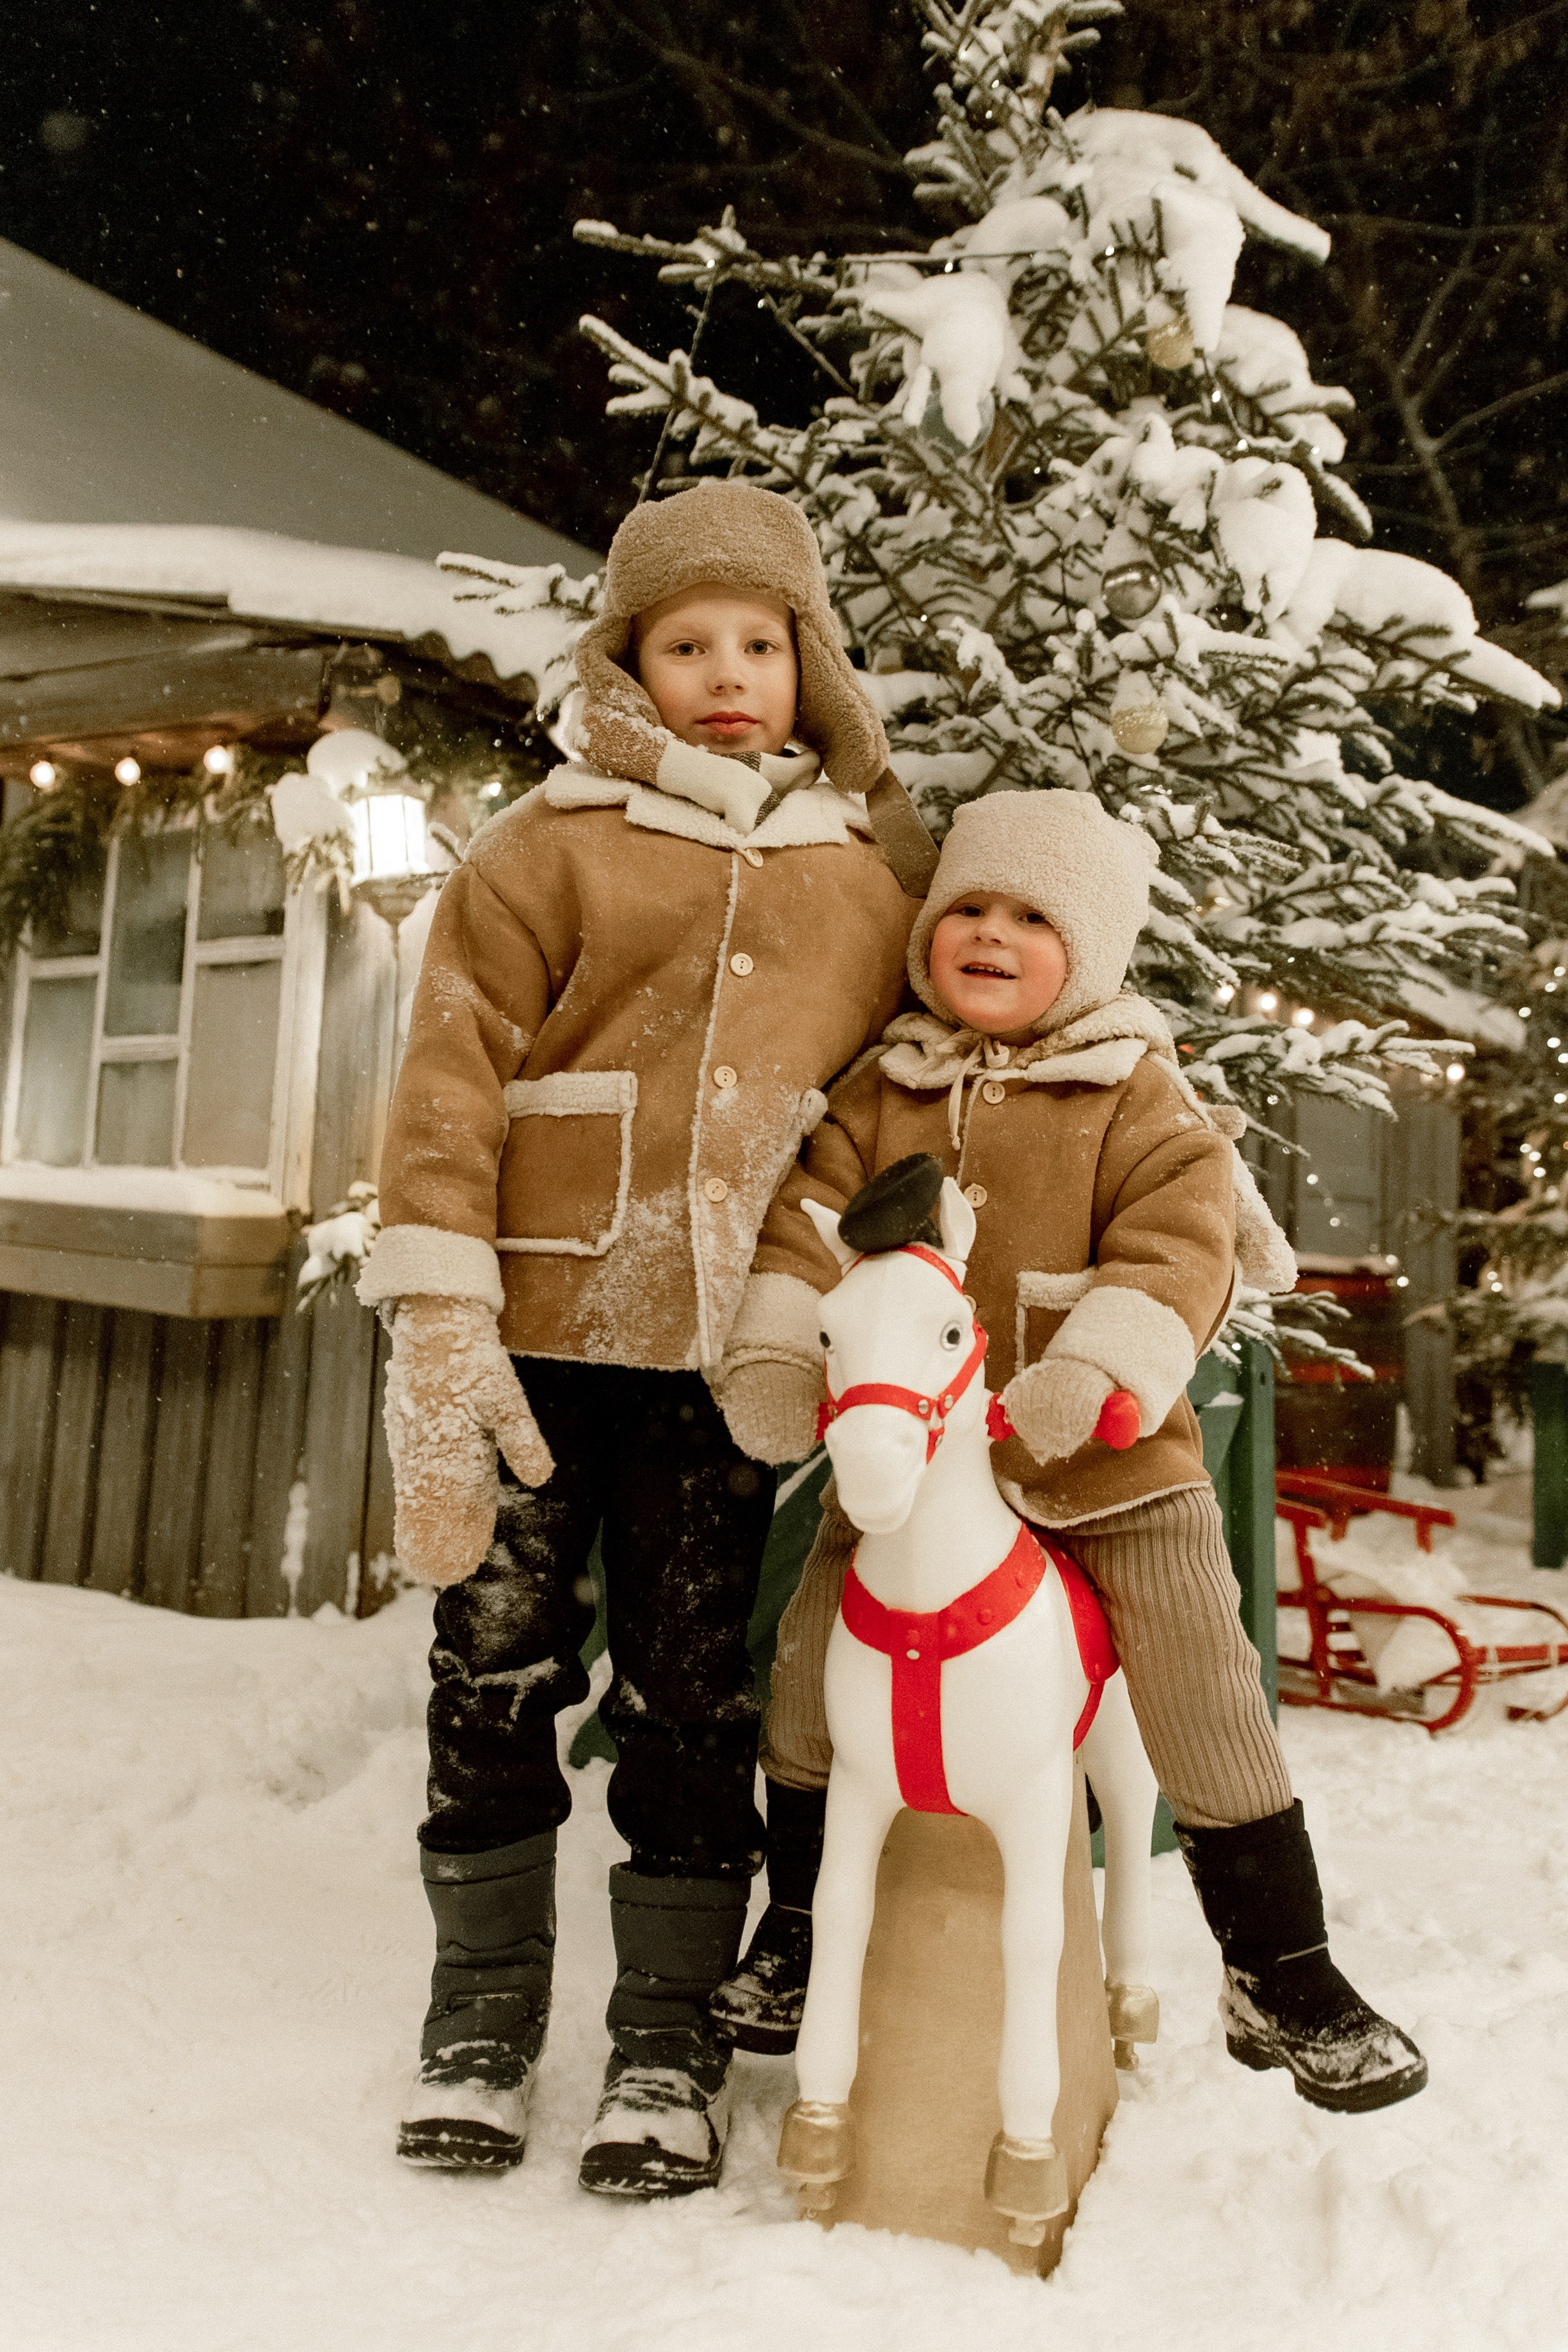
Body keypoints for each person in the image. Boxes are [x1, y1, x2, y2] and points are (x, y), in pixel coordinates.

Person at [358, 481, 918, 2196]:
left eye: (759, 641)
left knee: (690, 1690)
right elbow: (450, 1063)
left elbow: (880, 1116)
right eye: (687, 642)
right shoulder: (551, 840)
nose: (725, 672)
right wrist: (442, 1307)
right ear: (631, 659)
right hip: (534, 1332)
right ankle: (482, 2011)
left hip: (720, 1364)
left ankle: (665, 2036)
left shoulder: (866, 884)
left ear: (808, 661)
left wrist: (804, 1283)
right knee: (497, 1661)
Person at [709, 788, 1428, 2115]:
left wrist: (1096, 1365)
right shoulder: (888, 1084)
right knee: (813, 1654)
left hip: (1100, 1456)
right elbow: (808, 1221)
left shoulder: (1132, 1090)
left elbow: (1181, 1240)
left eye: (1031, 916)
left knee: (1200, 1665)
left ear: (1086, 951)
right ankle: (800, 1915)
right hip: (922, 1465)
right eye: (968, 907)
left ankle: (1278, 1960)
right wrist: (771, 1347)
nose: (988, 932)